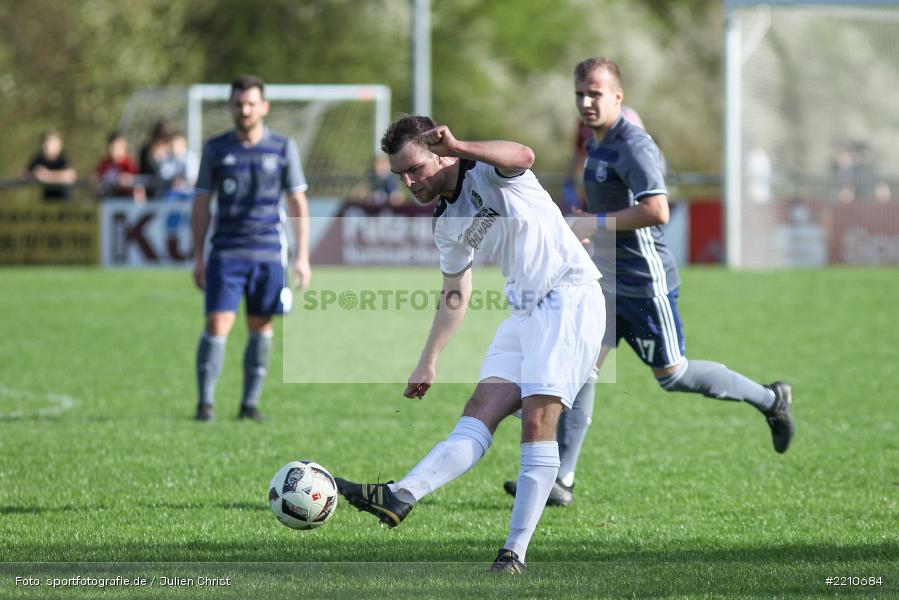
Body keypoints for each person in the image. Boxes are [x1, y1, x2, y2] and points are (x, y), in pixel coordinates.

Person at [504, 57, 794, 507]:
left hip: (644, 281)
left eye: (595, 93)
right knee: (581, 371)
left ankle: (770, 399)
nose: (585, 102)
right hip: (603, 282)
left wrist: (593, 222)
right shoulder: (596, 143)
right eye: (580, 93)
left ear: (618, 96)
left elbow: (658, 210)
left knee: (673, 375)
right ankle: (561, 479)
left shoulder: (635, 145)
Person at [333, 116, 604, 574]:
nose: (408, 182)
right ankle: (402, 495)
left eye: (415, 168)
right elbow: (456, 291)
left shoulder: (489, 170)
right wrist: (429, 359)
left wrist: (462, 145)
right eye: (400, 174)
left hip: (569, 298)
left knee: (538, 420)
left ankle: (514, 553)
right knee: (478, 410)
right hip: (524, 313)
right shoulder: (446, 221)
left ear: (441, 152)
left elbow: (525, 155)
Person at [190, 74, 311, 422]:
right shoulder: (215, 149)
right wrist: (198, 256)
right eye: (239, 103)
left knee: (261, 327)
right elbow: (200, 203)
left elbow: (297, 202)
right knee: (217, 323)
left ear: (264, 107)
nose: (244, 109)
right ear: (231, 106)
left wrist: (302, 256)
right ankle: (205, 404)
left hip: (269, 253)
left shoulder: (282, 147)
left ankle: (249, 405)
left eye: (251, 103)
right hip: (226, 253)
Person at [561, 107, 644, 213]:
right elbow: (578, 154)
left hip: (621, 194)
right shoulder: (584, 121)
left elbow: (641, 151)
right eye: (581, 95)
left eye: (595, 94)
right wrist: (569, 182)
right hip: (591, 193)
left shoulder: (628, 116)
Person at [23, 129, 78, 201]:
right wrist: (35, 174)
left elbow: (71, 176)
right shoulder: (39, 157)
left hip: (64, 201)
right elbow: (24, 174)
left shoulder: (62, 158)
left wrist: (48, 176)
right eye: (46, 142)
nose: (47, 145)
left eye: (51, 143)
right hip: (47, 200)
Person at [95, 131, 145, 202]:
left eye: (116, 147)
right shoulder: (105, 162)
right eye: (112, 147)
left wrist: (128, 180)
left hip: (125, 200)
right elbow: (97, 178)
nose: (114, 151)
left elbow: (137, 182)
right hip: (108, 199)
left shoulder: (128, 162)